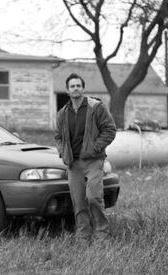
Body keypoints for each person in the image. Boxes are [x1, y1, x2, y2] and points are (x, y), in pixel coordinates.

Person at [54, 73, 116, 242]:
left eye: (78, 85)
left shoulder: (96, 107)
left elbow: (110, 130)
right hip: (73, 163)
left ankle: (102, 235)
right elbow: (58, 136)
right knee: (79, 202)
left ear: (83, 88)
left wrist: (95, 148)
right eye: (72, 86)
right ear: (67, 90)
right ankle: (83, 236)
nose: (75, 88)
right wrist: (62, 152)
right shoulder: (62, 113)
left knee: (94, 197)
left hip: (94, 160)